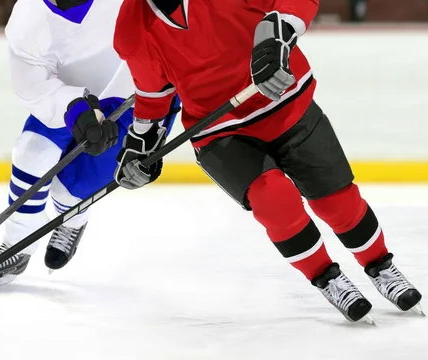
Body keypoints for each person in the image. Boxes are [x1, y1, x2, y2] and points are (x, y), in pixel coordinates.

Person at [112, 0, 422, 322]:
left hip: (286, 101)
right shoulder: (131, 27)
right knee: (274, 200)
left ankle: (381, 266)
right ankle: (327, 278)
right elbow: (154, 95)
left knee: (337, 201)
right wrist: (141, 145)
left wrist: (279, 30)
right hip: (219, 130)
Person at [0, 0, 181, 288]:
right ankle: (15, 245)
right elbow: (32, 81)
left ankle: (72, 218)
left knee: (71, 191)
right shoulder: (28, 15)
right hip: (71, 96)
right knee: (33, 150)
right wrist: (73, 107)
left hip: (137, 95)